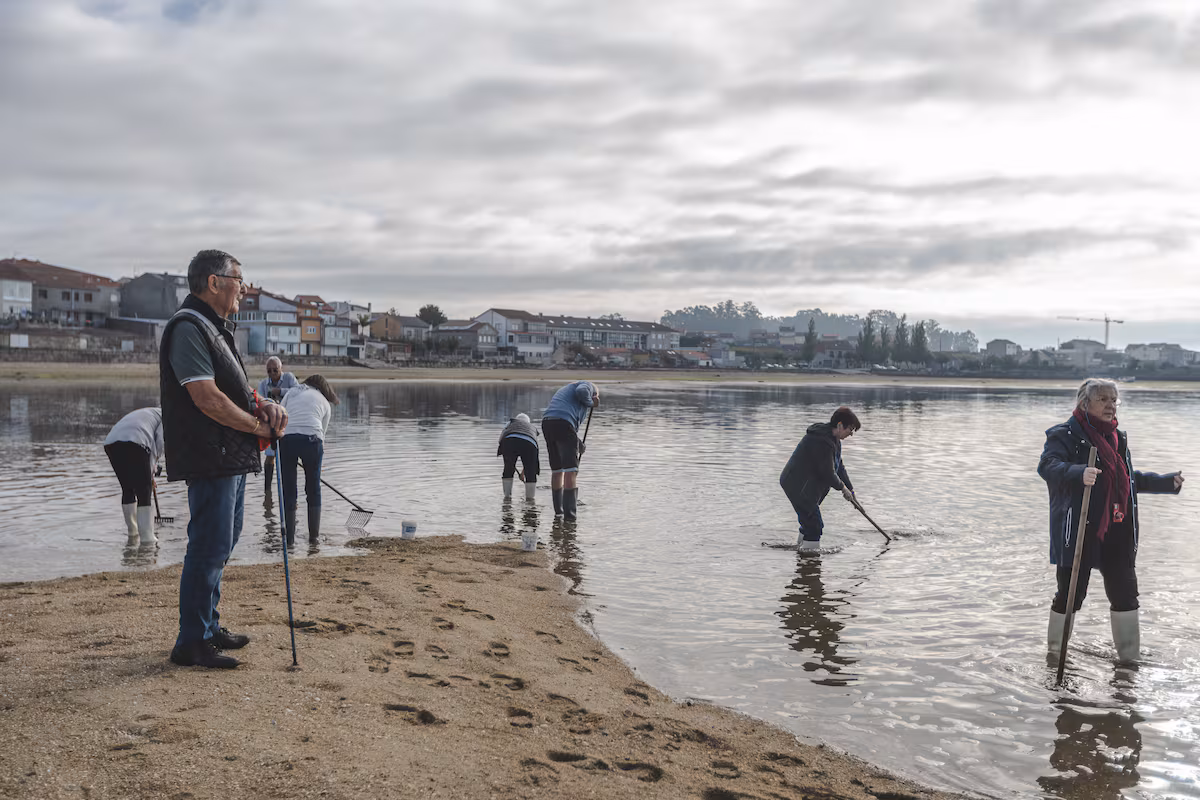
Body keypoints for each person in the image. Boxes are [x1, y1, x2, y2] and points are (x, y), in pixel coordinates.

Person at [160, 249, 287, 669]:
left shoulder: (216, 327)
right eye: (239, 278)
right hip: (211, 454)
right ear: (213, 282)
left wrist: (263, 405)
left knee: (223, 543)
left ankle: (208, 626)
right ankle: (190, 643)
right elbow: (207, 399)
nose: (244, 287)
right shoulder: (189, 327)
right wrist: (258, 429)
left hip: (230, 455)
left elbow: (233, 392)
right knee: (208, 546)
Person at [1038, 378, 1183, 663]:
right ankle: (1055, 657)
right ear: (1085, 402)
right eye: (1103, 399)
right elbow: (1047, 466)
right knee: (1070, 596)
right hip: (1079, 530)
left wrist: (1167, 483)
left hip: (1118, 531)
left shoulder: (1117, 438)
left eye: (1114, 400)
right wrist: (1078, 472)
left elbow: (1127, 479)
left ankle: (1129, 665)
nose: (1110, 405)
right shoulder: (1064, 435)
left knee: (1125, 595)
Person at [779, 406, 860, 553]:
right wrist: (843, 489)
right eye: (851, 429)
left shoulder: (834, 441)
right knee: (815, 525)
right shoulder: (821, 440)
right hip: (798, 486)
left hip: (806, 487)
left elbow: (839, 467)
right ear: (840, 425)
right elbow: (828, 474)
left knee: (809, 522)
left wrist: (851, 491)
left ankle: (802, 552)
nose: (851, 434)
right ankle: (809, 563)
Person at [279, 374, 338, 541]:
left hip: (287, 438)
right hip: (312, 440)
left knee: (288, 489)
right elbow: (321, 436)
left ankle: (289, 539)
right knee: (313, 489)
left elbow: (281, 415)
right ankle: (314, 538)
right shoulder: (325, 402)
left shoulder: (291, 393)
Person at [103, 407, 164, 545]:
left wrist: (150, 471)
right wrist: (151, 473)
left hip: (111, 443)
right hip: (136, 441)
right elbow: (158, 445)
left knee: (128, 488)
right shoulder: (166, 416)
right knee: (144, 491)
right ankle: (147, 539)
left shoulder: (152, 412)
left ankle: (132, 532)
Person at [540, 381, 598, 520]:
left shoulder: (566, 391)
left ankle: (558, 513)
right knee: (570, 471)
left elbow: (566, 428)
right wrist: (592, 402)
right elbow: (582, 391)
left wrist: (579, 445)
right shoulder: (588, 385)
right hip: (563, 424)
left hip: (548, 423)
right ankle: (570, 518)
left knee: (557, 470)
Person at [258, 357, 298, 494]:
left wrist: (279, 392)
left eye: (275, 370)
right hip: (271, 425)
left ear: (281, 369)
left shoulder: (289, 378)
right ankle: (267, 491)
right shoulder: (263, 384)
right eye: (269, 371)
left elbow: (298, 392)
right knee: (270, 456)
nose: (272, 373)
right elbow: (259, 402)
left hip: (289, 424)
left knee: (287, 458)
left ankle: (288, 491)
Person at [498, 413, 539, 501]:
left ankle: (507, 498)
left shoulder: (510, 424)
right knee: (531, 472)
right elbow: (531, 460)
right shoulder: (531, 428)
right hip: (529, 443)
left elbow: (500, 440)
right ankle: (530, 499)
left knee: (508, 469)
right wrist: (525, 473)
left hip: (509, 441)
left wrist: (509, 460)